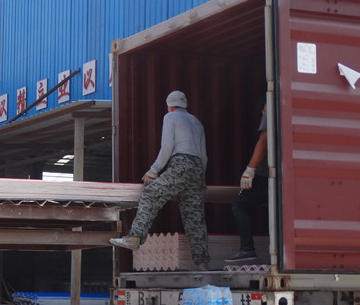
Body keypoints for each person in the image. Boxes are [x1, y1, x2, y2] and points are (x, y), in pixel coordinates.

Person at [110, 90, 210, 271]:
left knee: (150, 194)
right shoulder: (196, 122)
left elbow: (167, 147)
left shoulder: (170, 117)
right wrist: (201, 178)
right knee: (194, 216)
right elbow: (204, 155)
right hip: (197, 169)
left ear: (170, 106)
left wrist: (153, 171)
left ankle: (135, 237)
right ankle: (202, 263)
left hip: (181, 164)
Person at [225, 99, 269, 264]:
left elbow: (263, 140)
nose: (263, 114)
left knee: (241, 204)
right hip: (285, 176)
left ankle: (247, 249)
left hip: (267, 176)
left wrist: (250, 170)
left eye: (263, 110)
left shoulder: (271, 112)